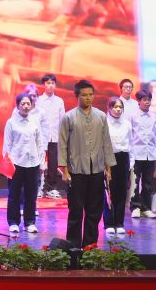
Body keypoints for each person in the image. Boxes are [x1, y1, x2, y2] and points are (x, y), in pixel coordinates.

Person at [58, 80, 116, 248]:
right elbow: (62, 145)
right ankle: (73, 246)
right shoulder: (68, 117)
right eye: (84, 95)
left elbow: (106, 143)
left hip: (97, 170)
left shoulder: (101, 116)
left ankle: (90, 246)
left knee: (94, 211)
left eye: (91, 94)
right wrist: (65, 171)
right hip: (76, 171)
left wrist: (108, 169)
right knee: (76, 211)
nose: (88, 98)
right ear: (77, 96)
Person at [3, 93, 43, 234]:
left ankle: (29, 222)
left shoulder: (35, 121)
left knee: (31, 195)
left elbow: (39, 143)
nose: (26, 106)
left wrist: (41, 163)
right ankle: (13, 222)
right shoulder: (11, 122)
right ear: (17, 105)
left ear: (31, 105)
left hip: (33, 163)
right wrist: (8, 164)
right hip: (16, 163)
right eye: (23, 104)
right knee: (14, 195)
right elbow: (7, 146)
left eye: (28, 104)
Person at [129, 89, 156, 219]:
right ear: (139, 101)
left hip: (151, 154)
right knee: (135, 182)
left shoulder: (154, 117)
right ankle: (135, 207)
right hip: (136, 153)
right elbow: (129, 135)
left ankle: (146, 208)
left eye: (149, 100)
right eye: (145, 100)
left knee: (148, 182)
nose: (147, 102)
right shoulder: (133, 116)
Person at [104, 97, 130, 235]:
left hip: (123, 158)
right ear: (109, 108)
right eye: (115, 107)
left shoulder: (127, 124)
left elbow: (131, 143)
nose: (118, 109)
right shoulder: (105, 123)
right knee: (109, 191)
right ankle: (109, 222)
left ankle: (119, 222)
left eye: (120, 107)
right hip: (109, 159)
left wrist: (131, 163)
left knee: (122, 191)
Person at [37, 74, 65, 199]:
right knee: (39, 162)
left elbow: (62, 120)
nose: (50, 85)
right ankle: (38, 188)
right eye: (48, 83)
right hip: (41, 137)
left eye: (53, 83)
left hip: (54, 136)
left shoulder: (59, 101)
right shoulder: (38, 100)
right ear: (44, 85)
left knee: (53, 164)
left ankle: (51, 188)